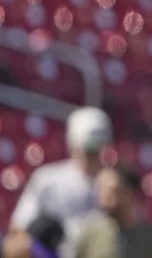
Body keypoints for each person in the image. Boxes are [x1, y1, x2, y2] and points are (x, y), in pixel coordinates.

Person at [10, 107, 113, 258]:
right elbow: (20, 226)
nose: (92, 156)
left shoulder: (114, 184)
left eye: (96, 150)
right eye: (87, 150)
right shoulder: (48, 179)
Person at [75, 165, 152, 258]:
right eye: (101, 189)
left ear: (130, 193)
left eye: (111, 191)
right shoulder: (90, 236)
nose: (104, 196)